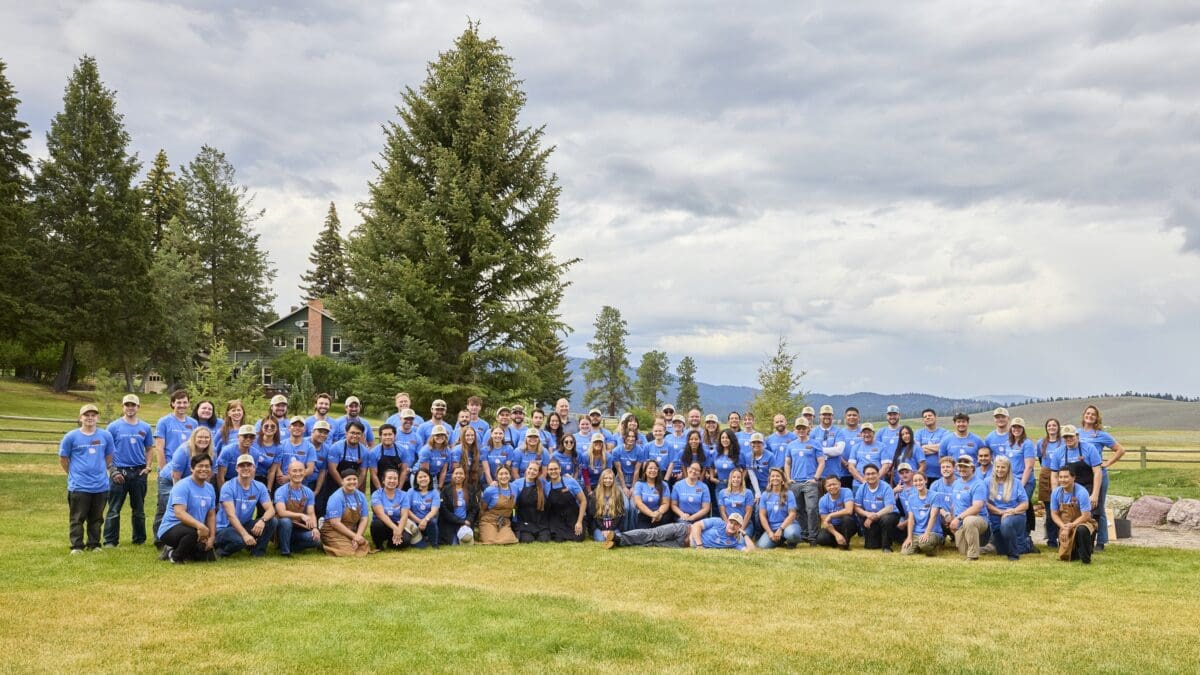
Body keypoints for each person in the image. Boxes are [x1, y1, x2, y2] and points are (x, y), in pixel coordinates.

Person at [60, 404, 115, 553]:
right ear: (80, 418)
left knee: (96, 519)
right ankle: (77, 546)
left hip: (101, 485)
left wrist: (100, 469)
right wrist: (72, 474)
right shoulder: (71, 437)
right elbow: (64, 458)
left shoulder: (105, 436)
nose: (90, 418)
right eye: (86, 415)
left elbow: (109, 456)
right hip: (79, 486)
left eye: (93, 415)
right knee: (77, 518)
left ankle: (94, 544)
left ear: (97, 417)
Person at [103, 394, 153, 547]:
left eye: (133, 405)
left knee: (138, 509)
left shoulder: (145, 427)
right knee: (114, 508)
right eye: (127, 405)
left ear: (138, 407)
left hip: (138, 473)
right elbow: (106, 451)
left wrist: (148, 466)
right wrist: (112, 470)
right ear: (123, 406)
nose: (130, 408)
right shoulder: (113, 427)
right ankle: (110, 541)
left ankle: (139, 539)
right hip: (119, 472)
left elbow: (149, 448)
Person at [152, 389, 197, 538]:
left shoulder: (193, 423)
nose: (182, 405)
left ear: (189, 404)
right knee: (165, 504)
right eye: (179, 402)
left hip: (187, 471)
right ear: (172, 404)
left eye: (185, 402)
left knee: (183, 505)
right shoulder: (164, 421)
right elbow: (159, 447)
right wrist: (164, 468)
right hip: (169, 470)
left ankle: (178, 536)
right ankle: (159, 538)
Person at [1080, 405, 1125, 552]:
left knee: (1098, 507)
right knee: (1082, 506)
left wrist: (1107, 463)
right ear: (1083, 415)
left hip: (1098, 473)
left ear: (1097, 418)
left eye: (1093, 414)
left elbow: (1120, 450)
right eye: (1088, 413)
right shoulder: (1077, 433)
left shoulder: (1101, 435)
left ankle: (1101, 541)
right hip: (1081, 474)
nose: (1090, 416)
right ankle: (1083, 538)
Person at [156, 454, 217, 563]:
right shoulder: (182, 485)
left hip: (196, 528)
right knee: (192, 533)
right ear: (192, 468)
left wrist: (212, 537)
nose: (204, 469)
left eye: (207, 466)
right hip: (171, 528)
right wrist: (200, 526)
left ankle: (170, 550)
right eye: (200, 466)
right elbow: (179, 513)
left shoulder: (210, 488)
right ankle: (176, 557)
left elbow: (211, 514)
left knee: (205, 557)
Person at [214, 453, 277, 558]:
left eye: (249, 465)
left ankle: (257, 552)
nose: (245, 468)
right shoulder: (228, 487)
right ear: (236, 468)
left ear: (254, 468)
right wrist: (245, 535)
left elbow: (271, 509)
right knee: (241, 541)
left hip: (244, 524)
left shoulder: (260, 486)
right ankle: (220, 551)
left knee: (272, 521)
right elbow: (231, 516)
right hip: (225, 528)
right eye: (242, 465)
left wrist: (262, 520)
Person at [604, 512, 755, 550]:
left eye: (736, 524)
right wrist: (700, 545)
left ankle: (618, 542)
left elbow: (751, 551)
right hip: (683, 530)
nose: (732, 525)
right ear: (727, 521)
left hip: (682, 545)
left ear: (738, 527)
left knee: (651, 544)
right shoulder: (717, 522)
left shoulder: (733, 542)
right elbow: (696, 526)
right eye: (731, 522)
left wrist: (745, 533)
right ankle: (617, 538)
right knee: (652, 534)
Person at [986, 456, 1034, 561]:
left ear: (1008, 468)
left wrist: (1012, 511)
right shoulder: (987, 482)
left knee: (1006, 522)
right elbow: (984, 503)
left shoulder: (1016, 482)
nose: (999, 470)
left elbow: (1025, 504)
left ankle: (1013, 556)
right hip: (996, 518)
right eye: (997, 467)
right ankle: (1026, 544)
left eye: (1003, 467)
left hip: (1015, 516)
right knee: (1001, 551)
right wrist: (1001, 512)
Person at [273, 460, 321, 556]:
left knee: (316, 540)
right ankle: (285, 551)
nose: (298, 474)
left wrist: (315, 528)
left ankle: (291, 546)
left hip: (299, 527)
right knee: (285, 521)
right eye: (294, 471)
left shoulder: (308, 492)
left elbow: (311, 513)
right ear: (288, 473)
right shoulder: (280, 491)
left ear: (304, 472)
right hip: (282, 528)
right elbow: (281, 512)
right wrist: (301, 515)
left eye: (300, 470)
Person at [1050, 467, 1096, 564]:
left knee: (1081, 530)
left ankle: (1086, 559)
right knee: (1068, 557)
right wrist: (1063, 527)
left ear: (1073, 477)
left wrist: (1071, 526)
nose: (1063, 480)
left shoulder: (1082, 492)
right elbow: (1054, 514)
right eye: (1060, 477)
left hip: (1083, 523)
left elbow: (1086, 516)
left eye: (1066, 477)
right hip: (1065, 525)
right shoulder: (1056, 493)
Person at [320, 469, 370, 557]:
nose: (352, 482)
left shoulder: (361, 496)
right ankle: (323, 546)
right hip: (333, 530)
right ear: (342, 481)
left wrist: (358, 536)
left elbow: (364, 518)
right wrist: (354, 537)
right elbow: (335, 523)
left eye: (354, 479)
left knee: (363, 544)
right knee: (348, 552)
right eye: (348, 479)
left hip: (351, 530)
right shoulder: (336, 497)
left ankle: (346, 542)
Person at [948, 456, 990, 560]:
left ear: (972, 468)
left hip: (978, 519)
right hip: (960, 520)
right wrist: (953, 520)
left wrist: (958, 519)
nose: (962, 469)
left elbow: (977, 507)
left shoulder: (979, 484)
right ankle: (984, 548)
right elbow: (954, 504)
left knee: (969, 520)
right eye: (960, 466)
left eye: (965, 467)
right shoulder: (956, 483)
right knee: (963, 551)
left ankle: (973, 556)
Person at [854, 464, 900, 552]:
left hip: (888, 515)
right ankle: (888, 536)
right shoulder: (861, 488)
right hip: (870, 516)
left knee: (886, 519)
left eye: (873, 473)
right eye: (868, 474)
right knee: (871, 546)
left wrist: (873, 517)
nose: (870, 476)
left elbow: (889, 508)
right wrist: (867, 514)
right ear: (864, 476)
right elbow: (856, 507)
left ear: (878, 474)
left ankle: (886, 546)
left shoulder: (886, 487)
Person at [757, 468, 802, 549]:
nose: (775, 478)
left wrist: (781, 529)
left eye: (778, 476)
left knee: (793, 534)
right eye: (773, 476)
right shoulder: (765, 495)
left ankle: (791, 542)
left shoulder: (789, 494)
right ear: (769, 479)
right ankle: (780, 540)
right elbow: (762, 515)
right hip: (772, 528)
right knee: (762, 546)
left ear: (782, 479)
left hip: (788, 526)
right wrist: (769, 532)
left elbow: (792, 514)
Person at [542, 460, 586, 541]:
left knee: (578, 538)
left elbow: (583, 501)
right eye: (550, 469)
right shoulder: (547, 487)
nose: (553, 471)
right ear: (547, 471)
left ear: (560, 469)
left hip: (573, 517)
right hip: (557, 519)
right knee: (558, 539)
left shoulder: (570, 481)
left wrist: (579, 522)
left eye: (555, 469)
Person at [901, 472, 943, 556]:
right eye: (915, 481)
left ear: (926, 481)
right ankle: (920, 546)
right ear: (913, 483)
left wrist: (927, 533)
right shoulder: (911, 498)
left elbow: (933, 516)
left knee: (925, 544)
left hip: (932, 532)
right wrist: (909, 537)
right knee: (905, 552)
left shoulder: (935, 496)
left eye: (920, 480)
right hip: (917, 533)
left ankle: (935, 546)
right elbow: (911, 519)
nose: (918, 483)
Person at [370, 468, 411, 551]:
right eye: (389, 478)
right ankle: (379, 545)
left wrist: (399, 529)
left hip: (397, 523)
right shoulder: (377, 494)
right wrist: (395, 529)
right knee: (376, 525)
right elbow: (380, 514)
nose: (392, 481)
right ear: (383, 480)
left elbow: (404, 515)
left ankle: (391, 543)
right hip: (383, 524)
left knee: (406, 541)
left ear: (398, 481)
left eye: (395, 478)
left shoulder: (403, 495)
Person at [1038, 418, 1065, 546]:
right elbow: (1039, 458)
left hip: (1062, 474)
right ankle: (1051, 539)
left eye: (1054, 425)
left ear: (1058, 427)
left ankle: (1063, 537)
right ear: (1046, 428)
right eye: (1049, 425)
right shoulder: (1041, 443)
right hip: (1045, 475)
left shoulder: (1063, 442)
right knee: (1050, 510)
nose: (1052, 427)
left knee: (1063, 508)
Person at [611, 428, 644, 531]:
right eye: (628, 436)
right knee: (626, 507)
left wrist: (633, 487)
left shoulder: (639, 450)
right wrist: (624, 487)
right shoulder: (617, 450)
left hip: (635, 480)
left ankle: (633, 531)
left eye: (633, 437)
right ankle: (624, 530)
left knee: (634, 507)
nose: (631, 438)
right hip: (621, 480)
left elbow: (637, 471)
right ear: (624, 437)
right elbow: (619, 470)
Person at [479, 466, 519, 545]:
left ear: (510, 475)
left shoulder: (515, 488)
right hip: (489, 521)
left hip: (504, 522)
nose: (504, 476)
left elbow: (515, 506)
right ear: (496, 476)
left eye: (506, 473)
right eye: (501, 474)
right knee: (490, 541)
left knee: (510, 541)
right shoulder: (489, 490)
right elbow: (483, 509)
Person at [439, 465, 478, 545]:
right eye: (456, 473)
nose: (458, 476)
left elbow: (475, 508)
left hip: (466, 522)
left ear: (464, 476)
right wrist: (461, 521)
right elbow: (444, 510)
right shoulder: (446, 490)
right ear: (452, 475)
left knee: (465, 540)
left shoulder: (470, 489)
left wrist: (468, 520)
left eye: (461, 473)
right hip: (451, 523)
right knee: (454, 544)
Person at [811, 405, 848, 490]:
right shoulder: (814, 432)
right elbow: (811, 451)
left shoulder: (839, 431)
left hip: (834, 475)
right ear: (820, 416)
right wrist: (831, 450)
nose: (827, 416)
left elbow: (839, 450)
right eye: (824, 414)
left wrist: (819, 450)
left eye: (829, 414)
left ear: (832, 416)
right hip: (818, 476)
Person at [328, 420, 370, 490]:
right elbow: (332, 470)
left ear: (362, 435)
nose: (355, 436)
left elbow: (363, 473)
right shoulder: (336, 447)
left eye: (358, 433)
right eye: (352, 433)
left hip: (352, 485)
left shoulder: (364, 451)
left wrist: (355, 487)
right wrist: (343, 485)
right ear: (346, 433)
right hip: (334, 483)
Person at [816, 474, 856, 549]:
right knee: (821, 538)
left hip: (847, 525)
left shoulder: (847, 491)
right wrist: (836, 534)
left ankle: (844, 545)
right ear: (825, 487)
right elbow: (825, 522)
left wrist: (831, 515)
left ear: (840, 484)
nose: (832, 487)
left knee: (846, 519)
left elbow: (849, 510)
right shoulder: (823, 500)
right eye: (829, 485)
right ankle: (839, 540)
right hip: (833, 527)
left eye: (834, 484)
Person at [513, 462, 549, 543]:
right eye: (530, 468)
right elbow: (512, 505)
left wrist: (565, 478)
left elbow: (555, 485)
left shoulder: (543, 483)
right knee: (527, 540)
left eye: (535, 470)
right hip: (523, 521)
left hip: (539, 522)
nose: (532, 471)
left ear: (538, 473)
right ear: (526, 469)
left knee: (544, 539)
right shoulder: (516, 483)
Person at [405, 468, 442, 548]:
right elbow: (406, 510)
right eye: (420, 477)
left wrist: (425, 520)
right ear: (416, 480)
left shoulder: (435, 492)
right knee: (421, 547)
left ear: (429, 478)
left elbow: (434, 510)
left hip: (428, 521)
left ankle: (434, 544)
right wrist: (419, 521)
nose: (423, 479)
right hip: (414, 521)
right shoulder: (410, 491)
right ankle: (420, 539)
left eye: (425, 476)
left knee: (432, 522)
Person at [277, 416, 317, 489]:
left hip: (301, 484)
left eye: (300, 426)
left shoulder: (310, 447)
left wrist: (289, 477)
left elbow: (310, 469)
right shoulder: (281, 445)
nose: (297, 428)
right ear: (289, 428)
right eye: (294, 425)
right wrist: (281, 477)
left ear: (304, 429)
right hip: (282, 483)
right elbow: (277, 465)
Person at [216, 424, 258, 490]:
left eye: (251, 437)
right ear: (238, 437)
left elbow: (252, 475)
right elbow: (220, 476)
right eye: (245, 436)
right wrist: (223, 495)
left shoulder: (255, 454)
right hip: (227, 480)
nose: (248, 439)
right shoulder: (227, 451)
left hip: (245, 481)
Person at [633, 460, 672, 529]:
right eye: (650, 468)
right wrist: (652, 514)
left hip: (660, 515)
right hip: (644, 514)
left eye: (655, 468)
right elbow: (638, 503)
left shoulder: (664, 485)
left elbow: (666, 503)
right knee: (644, 536)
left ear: (658, 471)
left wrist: (658, 513)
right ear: (645, 471)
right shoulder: (639, 484)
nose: (653, 470)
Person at [372, 423, 412, 492]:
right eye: (385, 435)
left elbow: (403, 471)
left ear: (395, 436)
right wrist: (380, 491)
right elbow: (373, 474)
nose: (387, 437)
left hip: (396, 485)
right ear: (380, 436)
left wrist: (399, 489)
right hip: (378, 486)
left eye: (390, 434)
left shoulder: (403, 451)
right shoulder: (374, 452)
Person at [670, 461, 712, 527]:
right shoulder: (678, 485)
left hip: (699, 518)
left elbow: (706, 508)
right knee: (686, 529)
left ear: (699, 474)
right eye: (692, 468)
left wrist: (692, 517)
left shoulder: (704, 487)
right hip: (683, 518)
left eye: (697, 470)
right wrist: (682, 514)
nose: (694, 471)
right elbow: (673, 505)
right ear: (687, 469)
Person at [916, 409, 950, 488]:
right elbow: (917, 449)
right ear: (923, 420)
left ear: (936, 417)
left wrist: (924, 447)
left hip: (940, 474)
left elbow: (943, 447)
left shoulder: (945, 432)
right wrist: (936, 448)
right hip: (923, 475)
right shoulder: (918, 433)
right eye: (925, 417)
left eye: (930, 415)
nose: (927, 418)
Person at [589, 469, 625, 542]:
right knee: (601, 539)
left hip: (614, 525)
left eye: (610, 478)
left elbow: (620, 514)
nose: (607, 480)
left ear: (613, 480)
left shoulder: (618, 493)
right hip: (599, 525)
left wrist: (611, 529)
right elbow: (594, 514)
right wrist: (603, 529)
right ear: (601, 479)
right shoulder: (596, 493)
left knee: (616, 539)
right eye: (605, 478)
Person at [849, 423, 890, 488]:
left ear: (873, 433)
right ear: (861, 434)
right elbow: (851, 467)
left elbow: (885, 466)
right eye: (864, 432)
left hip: (878, 484)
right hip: (859, 484)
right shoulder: (855, 447)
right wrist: (863, 481)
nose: (867, 434)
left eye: (869, 432)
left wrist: (875, 480)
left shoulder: (882, 446)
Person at [717, 468, 756, 537]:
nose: (736, 479)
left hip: (744, 524)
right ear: (730, 479)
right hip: (728, 524)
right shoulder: (722, 493)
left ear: (741, 480)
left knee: (740, 541)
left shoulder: (748, 493)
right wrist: (728, 527)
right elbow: (723, 513)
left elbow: (748, 513)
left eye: (738, 477)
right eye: (734, 477)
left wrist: (741, 529)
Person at [252, 417, 282, 492]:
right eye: (266, 426)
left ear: (277, 429)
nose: (269, 428)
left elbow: (272, 471)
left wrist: (268, 490)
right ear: (261, 427)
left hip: (265, 478)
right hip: (249, 476)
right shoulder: (253, 441)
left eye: (273, 426)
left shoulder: (278, 447)